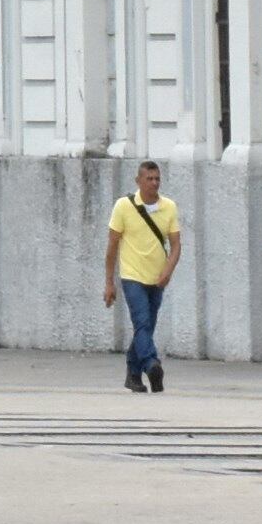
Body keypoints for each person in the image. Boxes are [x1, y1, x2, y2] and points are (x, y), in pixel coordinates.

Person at [103, 160, 182, 395]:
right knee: (142, 323)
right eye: (149, 179)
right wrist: (109, 282)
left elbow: (176, 245)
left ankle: (133, 374)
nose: (154, 183)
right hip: (132, 276)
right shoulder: (123, 207)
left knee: (146, 328)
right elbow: (112, 246)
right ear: (138, 181)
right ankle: (151, 365)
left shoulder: (168, 207)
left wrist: (168, 270)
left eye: (157, 178)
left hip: (157, 278)